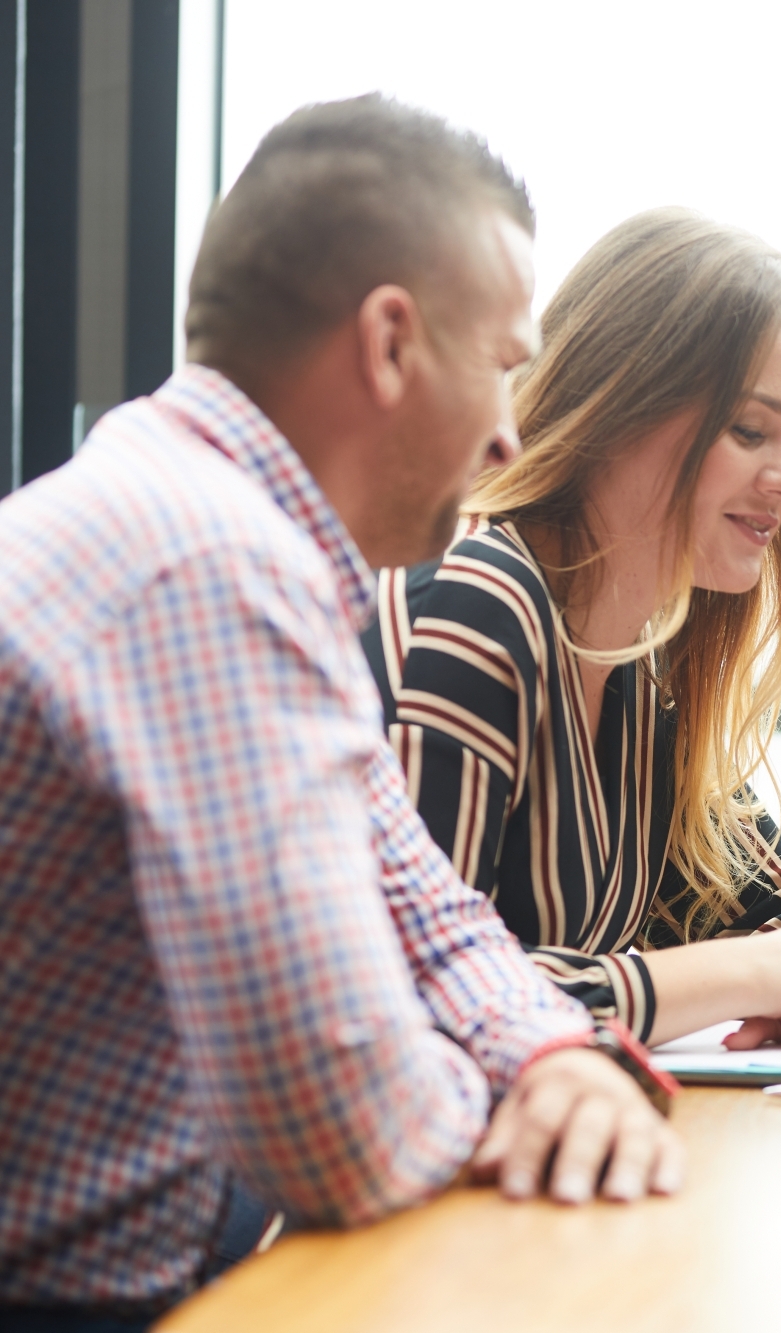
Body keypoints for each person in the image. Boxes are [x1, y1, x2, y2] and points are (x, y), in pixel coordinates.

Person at [0, 97, 681, 1330]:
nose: (509, 433)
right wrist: (511, 1105)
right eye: (505, 365)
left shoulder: (205, 523)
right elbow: (339, 1126)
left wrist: (552, 1056)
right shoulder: (204, 563)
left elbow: (427, 906)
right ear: (388, 345)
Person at [362, 208, 781, 1065]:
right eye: (750, 429)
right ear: (616, 408)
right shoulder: (476, 605)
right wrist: (757, 974)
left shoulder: (640, 654)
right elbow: (423, 997)